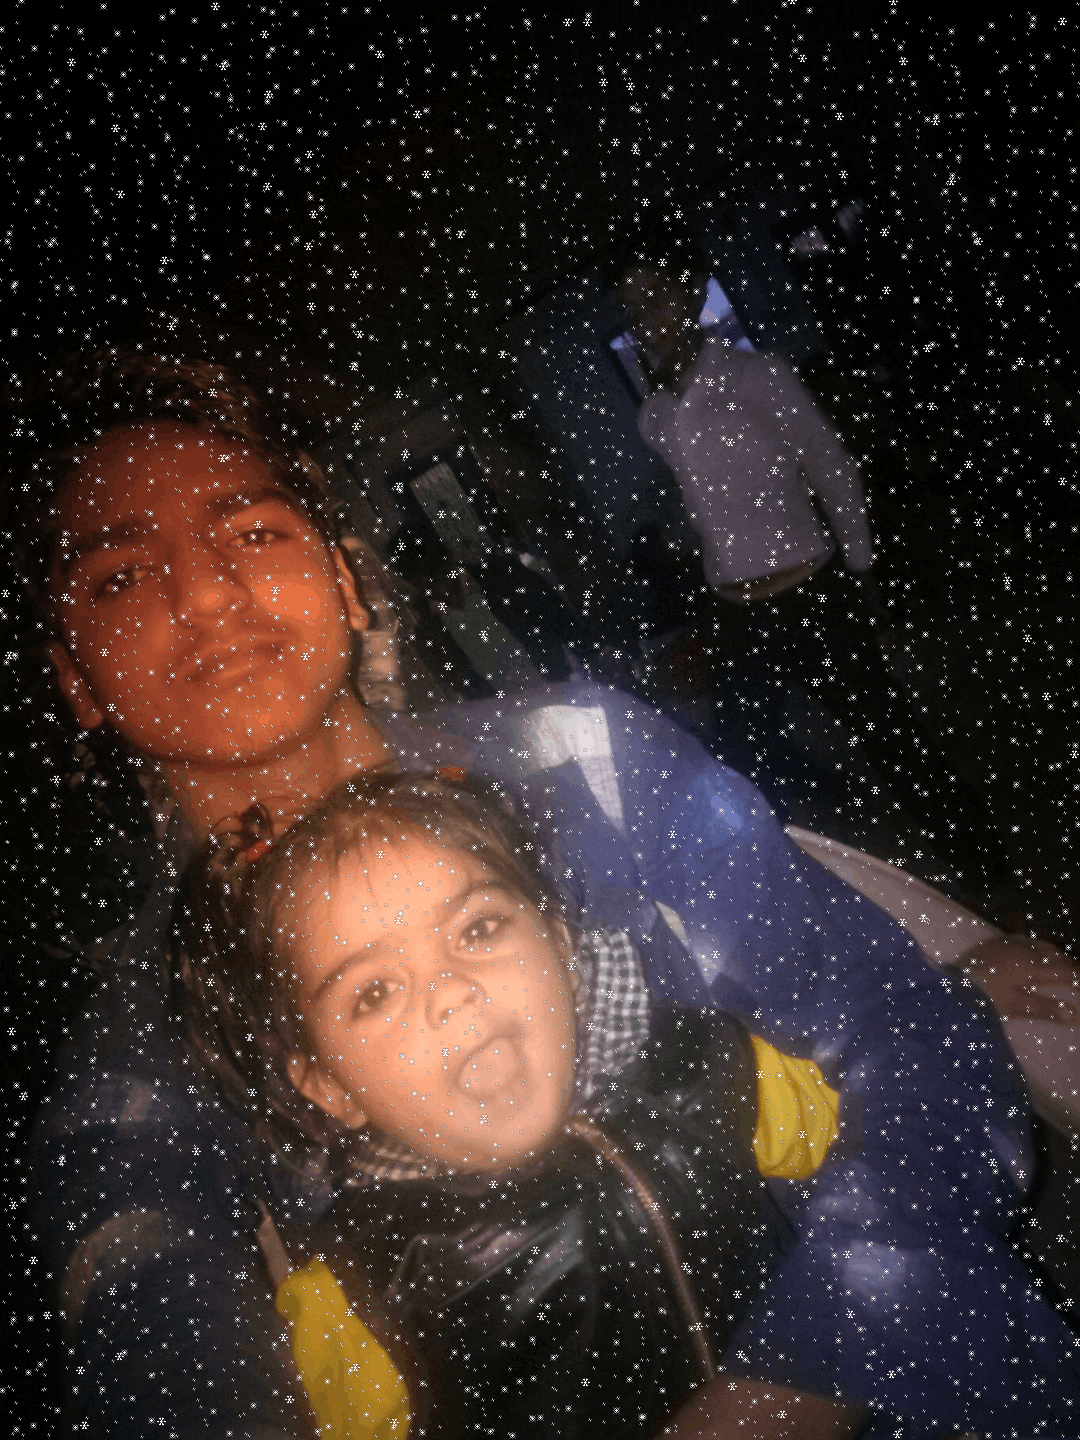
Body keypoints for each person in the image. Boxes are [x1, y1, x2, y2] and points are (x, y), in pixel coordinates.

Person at [11, 347, 1075, 1437]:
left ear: (344, 578)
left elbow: (910, 1043)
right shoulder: (141, 1072)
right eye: (121, 578)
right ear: (75, 679)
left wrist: (805, 1372)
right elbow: (172, 1373)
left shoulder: (582, 767)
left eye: (252, 533)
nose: (206, 593)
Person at [174, 769, 865, 1439]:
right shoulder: (358, 1295)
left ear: (561, 945)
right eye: (375, 993)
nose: (451, 992)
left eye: (477, 930)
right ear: (329, 1086)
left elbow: (881, 1169)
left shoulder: (704, 1063)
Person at [610, 235, 1010, 890]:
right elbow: (700, 506)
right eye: (632, 309)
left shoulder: (757, 377)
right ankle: (808, 886)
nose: (645, 319)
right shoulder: (655, 416)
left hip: (811, 597)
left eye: (655, 297)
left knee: (895, 745)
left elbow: (832, 466)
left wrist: (862, 566)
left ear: (690, 294)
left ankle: (991, 879)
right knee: (741, 766)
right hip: (736, 613)